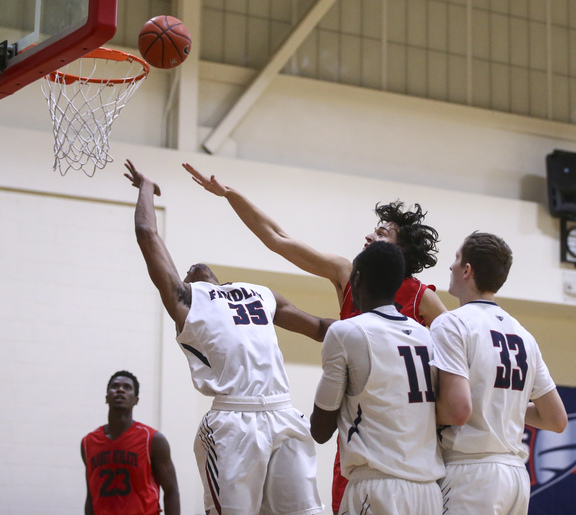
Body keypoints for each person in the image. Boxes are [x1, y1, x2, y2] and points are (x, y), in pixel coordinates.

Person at [182, 162, 447, 511]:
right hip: (360, 436)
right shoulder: (347, 273)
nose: (369, 236)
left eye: (381, 233)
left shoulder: (422, 298)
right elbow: (278, 239)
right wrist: (230, 194)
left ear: (400, 252)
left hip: (410, 440)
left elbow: (457, 358)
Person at [124, 159, 332, 515]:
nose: (192, 266)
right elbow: (147, 232)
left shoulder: (259, 292)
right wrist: (146, 187)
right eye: (186, 270)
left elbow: (319, 329)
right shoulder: (186, 301)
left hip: (283, 412)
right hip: (234, 422)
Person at [430, 231, 568, 514]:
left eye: (456, 258)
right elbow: (556, 419)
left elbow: (457, 411)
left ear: (467, 270)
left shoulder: (452, 324)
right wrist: (502, 406)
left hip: (471, 474)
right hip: (516, 478)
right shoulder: (524, 335)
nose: (451, 266)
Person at [311, 241, 445, 515]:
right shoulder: (428, 336)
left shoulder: (347, 331)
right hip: (429, 491)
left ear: (357, 278)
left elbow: (320, 430)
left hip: (377, 488)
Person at [81, 370, 180, 515]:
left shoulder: (153, 440)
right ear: (107, 397)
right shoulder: (88, 442)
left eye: (127, 387)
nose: (120, 389)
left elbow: (171, 491)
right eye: (115, 386)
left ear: (136, 400)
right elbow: (91, 496)